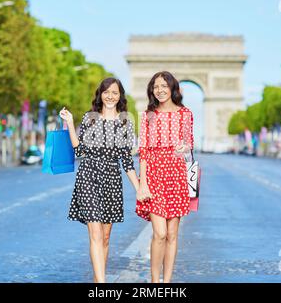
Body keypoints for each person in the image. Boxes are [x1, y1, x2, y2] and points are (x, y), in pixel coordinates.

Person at [59, 77, 141, 283]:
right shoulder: (90, 118)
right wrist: (69, 123)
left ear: (120, 95)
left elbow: (126, 160)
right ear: (100, 94)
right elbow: (80, 149)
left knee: (105, 237)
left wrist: (140, 189)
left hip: (112, 180)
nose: (110, 96)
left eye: (114, 92)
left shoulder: (125, 122)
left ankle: (98, 280)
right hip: (89, 175)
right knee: (95, 234)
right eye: (106, 92)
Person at [136, 71, 194, 283]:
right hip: (154, 175)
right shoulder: (147, 115)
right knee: (159, 233)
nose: (159, 90)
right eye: (155, 86)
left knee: (172, 234)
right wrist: (142, 184)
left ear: (173, 88)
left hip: (176, 175)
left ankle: (166, 282)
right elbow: (143, 151)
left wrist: (184, 146)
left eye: (163, 86)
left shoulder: (185, 114)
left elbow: (189, 143)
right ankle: (154, 281)